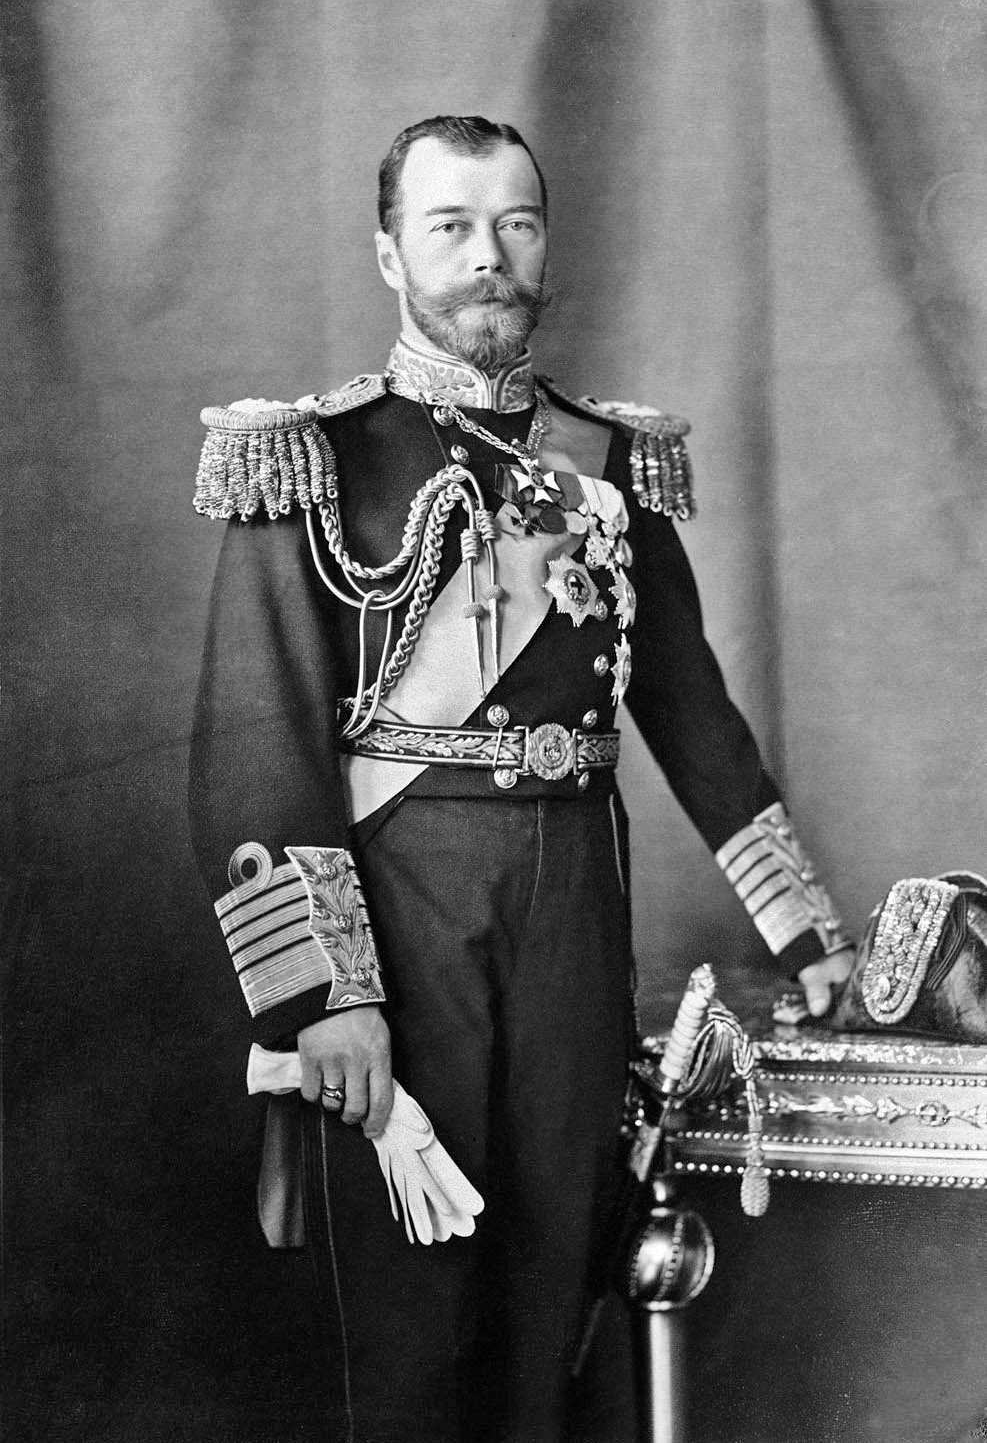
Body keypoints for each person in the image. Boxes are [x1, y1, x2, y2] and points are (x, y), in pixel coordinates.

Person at [188, 115, 852, 1443]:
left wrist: (803, 927)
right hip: (400, 901)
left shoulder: (610, 462)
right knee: (417, 1305)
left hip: (571, 904)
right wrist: (323, 1001)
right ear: (389, 255)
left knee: (561, 1276)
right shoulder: (311, 456)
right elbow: (254, 747)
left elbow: (688, 705)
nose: (488, 256)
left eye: (517, 224)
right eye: (450, 227)